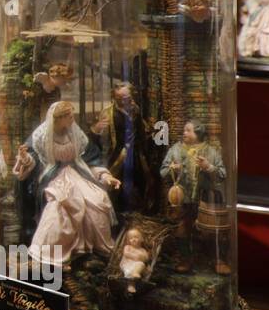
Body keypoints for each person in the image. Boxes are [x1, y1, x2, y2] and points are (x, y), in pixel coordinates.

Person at [14, 100, 120, 268]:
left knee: (98, 199)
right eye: (69, 116)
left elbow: (91, 159)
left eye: (72, 115)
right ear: (58, 119)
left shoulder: (76, 134)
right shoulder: (41, 136)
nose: (72, 118)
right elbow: (31, 160)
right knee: (62, 204)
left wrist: (105, 176)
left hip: (77, 173)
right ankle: (53, 253)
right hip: (54, 176)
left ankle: (91, 249)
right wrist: (25, 158)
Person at [160, 119, 227, 272]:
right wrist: (172, 169)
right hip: (183, 198)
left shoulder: (210, 151)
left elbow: (223, 174)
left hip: (205, 198)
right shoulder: (175, 150)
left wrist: (208, 167)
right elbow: (162, 172)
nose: (184, 133)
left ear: (198, 133)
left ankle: (218, 260)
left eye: (188, 130)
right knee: (181, 228)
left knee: (210, 230)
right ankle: (185, 259)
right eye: (184, 130)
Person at [93, 81, 154, 219]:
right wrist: (97, 130)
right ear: (115, 98)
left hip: (136, 153)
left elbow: (140, 129)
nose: (124, 100)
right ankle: (116, 214)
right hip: (117, 155)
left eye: (126, 97)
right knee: (116, 183)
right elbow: (101, 139)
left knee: (141, 180)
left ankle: (140, 212)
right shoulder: (108, 113)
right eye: (119, 98)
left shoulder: (135, 109)